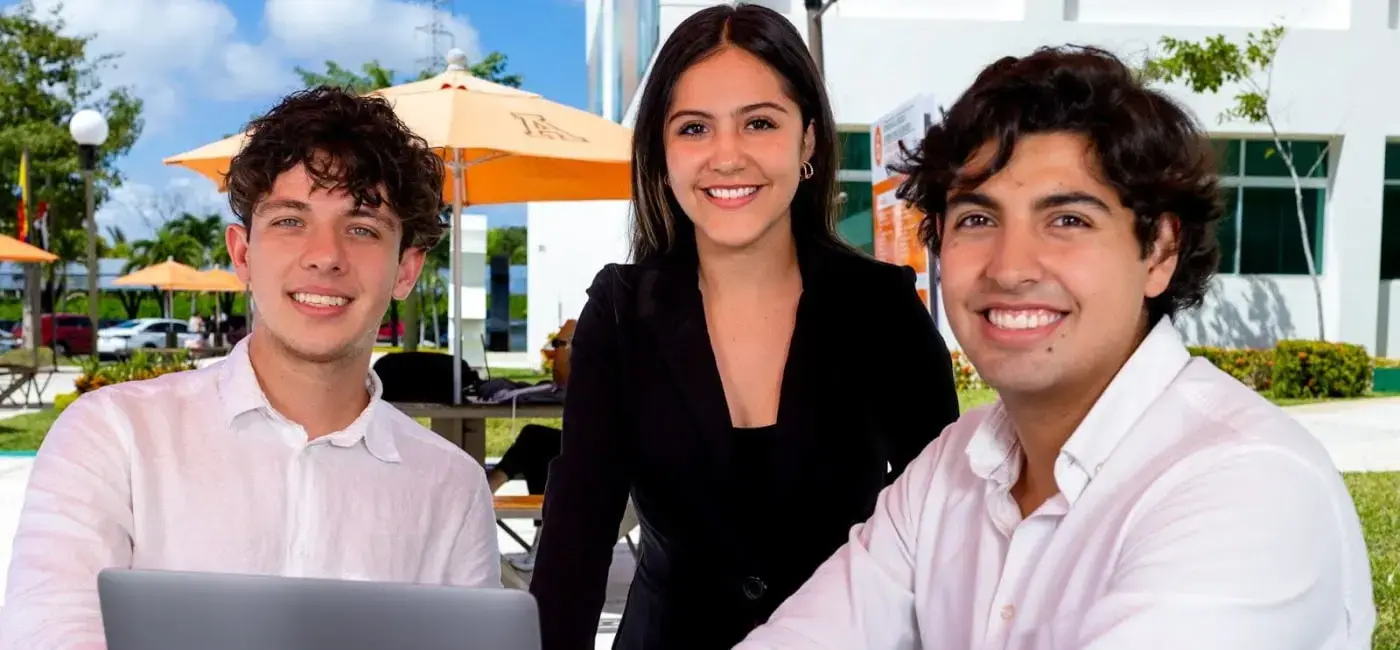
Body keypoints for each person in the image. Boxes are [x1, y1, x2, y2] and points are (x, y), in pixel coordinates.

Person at [735, 45, 1375, 650]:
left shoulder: (1249, 485)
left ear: (1159, 251)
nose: (1010, 268)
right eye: (977, 220)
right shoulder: (951, 467)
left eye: (1068, 220)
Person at [0, 86, 501, 650]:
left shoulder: (450, 488)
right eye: (291, 221)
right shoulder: (113, 437)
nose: (326, 254)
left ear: (406, 270)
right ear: (242, 254)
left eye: (362, 227)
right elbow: (49, 631)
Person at [527, 4, 961, 649]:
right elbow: (578, 531)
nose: (726, 157)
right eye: (694, 128)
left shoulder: (880, 307)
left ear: (808, 139)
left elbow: (948, 524)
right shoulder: (621, 310)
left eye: (759, 123)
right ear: (662, 152)